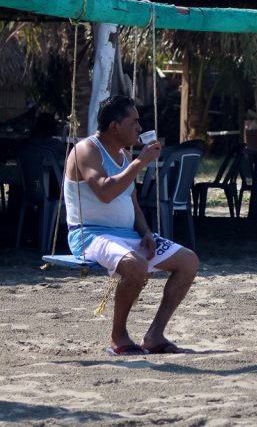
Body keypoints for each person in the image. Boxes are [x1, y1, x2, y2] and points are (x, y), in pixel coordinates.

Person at [63, 95, 200, 355]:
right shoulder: (86, 150)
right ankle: (119, 337)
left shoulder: (125, 155)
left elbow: (133, 204)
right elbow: (105, 192)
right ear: (115, 126)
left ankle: (155, 335)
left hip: (127, 235)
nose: (139, 128)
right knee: (136, 265)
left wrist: (146, 232)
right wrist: (140, 163)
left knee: (188, 261)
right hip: (90, 234)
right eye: (134, 122)